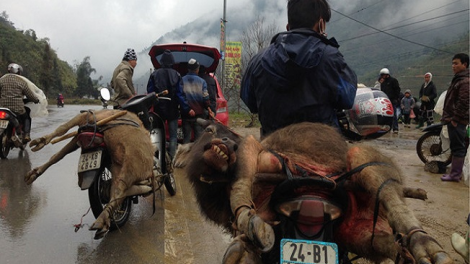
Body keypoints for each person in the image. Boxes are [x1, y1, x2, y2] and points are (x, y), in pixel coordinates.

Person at [240, 0, 357, 137]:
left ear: (288, 26)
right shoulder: (330, 57)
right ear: (321, 24)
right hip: (323, 150)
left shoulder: (258, 60)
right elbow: (348, 97)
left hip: (273, 149)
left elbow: (250, 101)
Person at [147, 49, 195, 158]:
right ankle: (172, 158)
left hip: (159, 109)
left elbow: (150, 93)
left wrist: (149, 107)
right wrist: (187, 108)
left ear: (162, 61)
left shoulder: (155, 74)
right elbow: (180, 94)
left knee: (159, 134)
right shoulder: (177, 75)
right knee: (173, 136)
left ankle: (160, 157)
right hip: (173, 109)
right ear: (172, 62)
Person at [441, 53, 469, 182]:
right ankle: (454, 173)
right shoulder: (459, 79)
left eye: (456, 63)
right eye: (452, 63)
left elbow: (464, 102)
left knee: (458, 147)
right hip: (454, 119)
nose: (453, 66)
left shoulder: (464, 81)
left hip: (457, 120)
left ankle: (455, 175)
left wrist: (455, 119)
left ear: (465, 64)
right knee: (457, 146)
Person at [0, 63, 39, 144]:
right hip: (17, 109)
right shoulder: (22, 82)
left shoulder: (2, 80)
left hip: (2, 107)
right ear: (18, 72)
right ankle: (26, 135)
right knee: (27, 115)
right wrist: (36, 100)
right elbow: (30, 95)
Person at [181, 58, 210, 143]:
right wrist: (208, 107)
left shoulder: (182, 80)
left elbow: (180, 96)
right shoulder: (202, 82)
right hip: (198, 115)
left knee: (186, 138)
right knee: (198, 139)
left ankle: (185, 155)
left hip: (186, 115)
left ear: (188, 69)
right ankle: (196, 155)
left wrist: (187, 108)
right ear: (197, 69)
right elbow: (205, 97)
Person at [379, 68, 401, 133]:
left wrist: (396, 98)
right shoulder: (383, 82)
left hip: (392, 100)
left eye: (383, 75)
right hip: (385, 100)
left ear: (386, 74)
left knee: (393, 114)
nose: (382, 76)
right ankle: (388, 128)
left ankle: (395, 128)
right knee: (385, 114)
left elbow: (397, 90)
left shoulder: (393, 81)